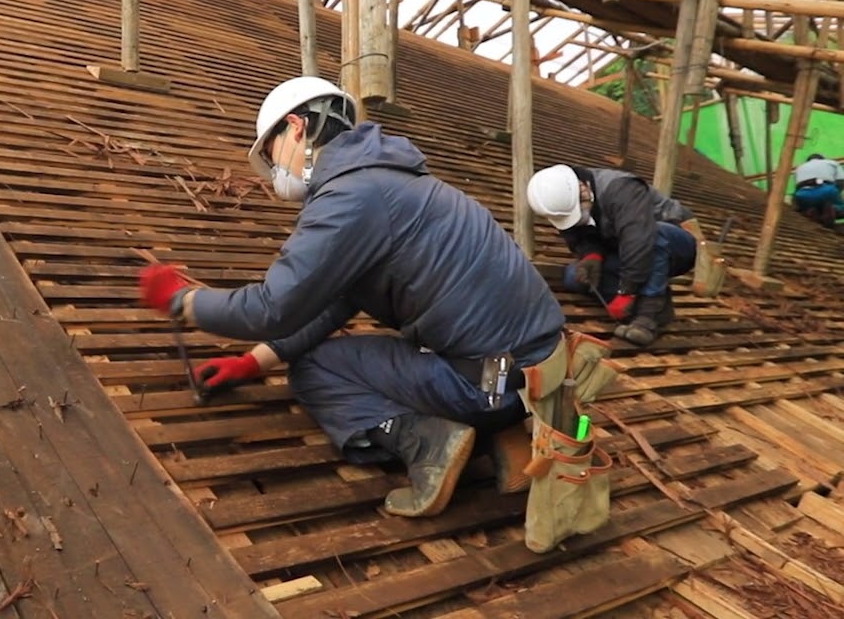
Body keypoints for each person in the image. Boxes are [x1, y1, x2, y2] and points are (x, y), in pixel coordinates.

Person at [139, 77, 566, 519]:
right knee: (436, 355)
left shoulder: (349, 198)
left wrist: (182, 301)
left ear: (296, 128)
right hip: (529, 378)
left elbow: (272, 307)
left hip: (485, 386)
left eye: (271, 155)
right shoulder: (397, 184)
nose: (273, 174)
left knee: (315, 369)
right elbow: (334, 302)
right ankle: (502, 430)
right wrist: (254, 362)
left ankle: (432, 442)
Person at [526, 164, 696, 347]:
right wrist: (592, 256)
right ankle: (657, 309)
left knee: (653, 235)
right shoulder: (565, 203)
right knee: (573, 277)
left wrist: (626, 292)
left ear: (583, 188)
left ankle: (649, 312)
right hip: (625, 248)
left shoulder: (622, 190)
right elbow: (580, 236)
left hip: (677, 243)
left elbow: (638, 241)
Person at [791, 153, 844, 228]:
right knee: (841, 207)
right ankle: (834, 209)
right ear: (822, 159)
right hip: (827, 190)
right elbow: (841, 182)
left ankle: (812, 211)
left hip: (803, 194)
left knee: (807, 204)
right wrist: (835, 194)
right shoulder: (832, 163)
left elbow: (797, 189)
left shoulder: (799, 168)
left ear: (808, 161)